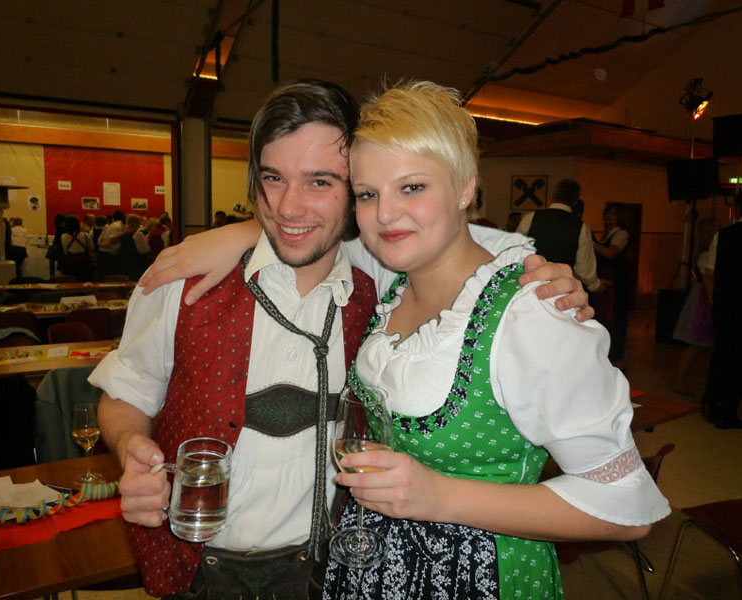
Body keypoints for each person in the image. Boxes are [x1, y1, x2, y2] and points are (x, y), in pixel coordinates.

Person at [92, 79, 593, 600]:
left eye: (320, 182)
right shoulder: (182, 282)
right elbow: (126, 393)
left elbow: (446, 238)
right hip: (196, 571)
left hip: (336, 571)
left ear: (356, 192)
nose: (288, 207)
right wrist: (132, 448)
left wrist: (528, 271)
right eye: (273, 178)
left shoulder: (382, 287)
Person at [318, 81, 668, 599]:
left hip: (484, 574)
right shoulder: (392, 275)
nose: (385, 214)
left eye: (412, 187)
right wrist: (223, 239)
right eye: (368, 194)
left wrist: (438, 496)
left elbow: (627, 507)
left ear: (465, 187)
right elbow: (303, 235)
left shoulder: (535, 315)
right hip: (378, 566)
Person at [700, 190, 742, 429]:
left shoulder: (724, 235)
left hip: (725, 305)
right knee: (740, 360)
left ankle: (710, 402)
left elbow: (708, 273)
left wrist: (714, 300)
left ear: (737, 208)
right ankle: (727, 411)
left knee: (721, 354)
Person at [517, 179, 604, 293]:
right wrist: (596, 285)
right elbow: (584, 270)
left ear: (553, 195)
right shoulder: (581, 227)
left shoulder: (530, 218)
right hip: (560, 290)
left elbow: (514, 252)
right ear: (576, 200)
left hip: (528, 285)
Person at [672, 217, 719, 395]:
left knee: (705, 346)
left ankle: (708, 383)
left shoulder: (703, 254)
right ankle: (679, 381)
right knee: (698, 345)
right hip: (704, 301)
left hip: (700, 297)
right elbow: (708, 282)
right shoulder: (706, 255)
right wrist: (713, 302)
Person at [594, 203, 631, 366]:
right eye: (607, 214)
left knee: (615, 317)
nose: (609, 217)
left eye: (613, 214)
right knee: (605, 316)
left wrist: (590, 243)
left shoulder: (622, 234)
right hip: (606, 280)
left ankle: (615, 356)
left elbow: (610, 253)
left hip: (617, 281)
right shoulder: (605, 235)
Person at [117, 214, 151, 281]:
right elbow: (143, 250)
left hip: (123, 258)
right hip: (135, 260)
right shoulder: (138, 234)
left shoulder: (123, 233)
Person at [60, 215, 94, 281]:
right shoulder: (85, 235)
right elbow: (92, 248)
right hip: (84, 264)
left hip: (70, 264)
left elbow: (65, 251)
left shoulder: (63, 236)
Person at [97, 209, 126, 277]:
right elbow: (112, 240)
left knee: (104, 276)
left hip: (103, 252)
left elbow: (99, 241)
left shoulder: (109, 225)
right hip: (111, 254)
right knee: (111, 276)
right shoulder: (120, 226)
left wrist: (102, 245)